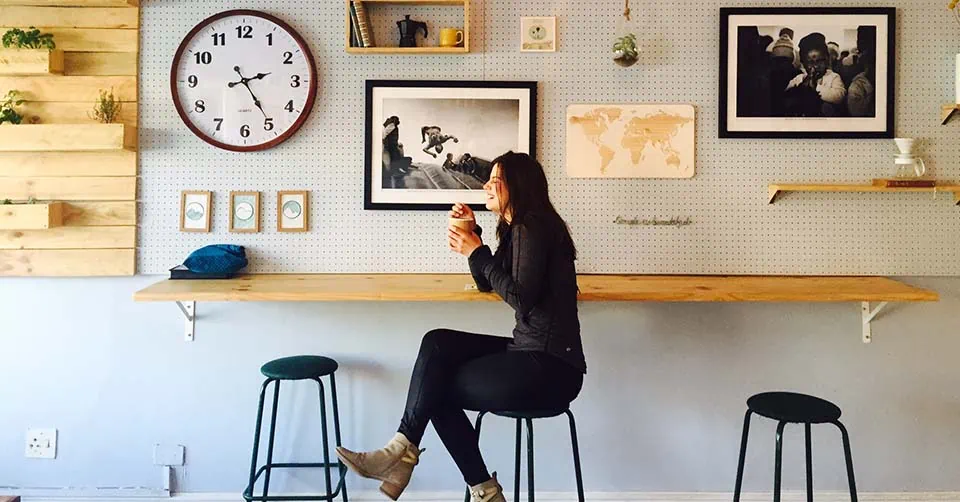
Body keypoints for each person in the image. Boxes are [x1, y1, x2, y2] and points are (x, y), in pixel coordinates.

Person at [336, 151, 586, 502]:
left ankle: (415, 462)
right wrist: (474, 237)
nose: (486, 186)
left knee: (433, 387)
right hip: (531, 352)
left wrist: (477, 250)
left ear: (517, 186)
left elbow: (521, 298)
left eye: (494, 181)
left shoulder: (533, 227)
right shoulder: (520, 229)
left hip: (549, 367)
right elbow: (489, 283)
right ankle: (402, 453)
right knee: (438, 344)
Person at [785, 32, 846, 116]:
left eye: (820, 61)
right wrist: (802, 86)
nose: (815, 66)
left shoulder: (833, 77)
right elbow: (787, 96)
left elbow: (839, 97)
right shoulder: (799, 79)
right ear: (803, 63)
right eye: (810, 62)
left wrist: (816, 87)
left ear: (827, 60)